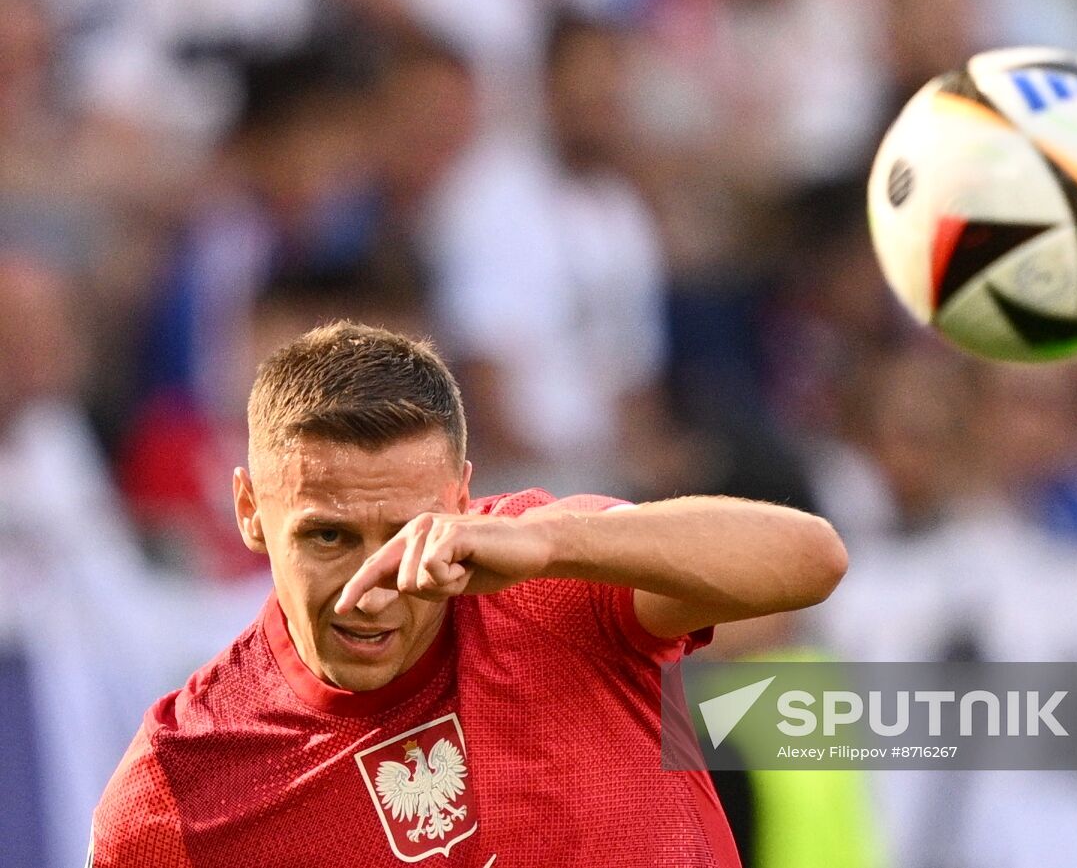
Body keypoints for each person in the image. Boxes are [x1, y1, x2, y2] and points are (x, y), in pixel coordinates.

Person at [90, 321, 847, 867]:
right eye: (327, 537)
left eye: (407, 533)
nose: (371, 587)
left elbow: (810, 559)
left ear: (461, 495)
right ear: (251, 511)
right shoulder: (179, 790)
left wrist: (555, 544)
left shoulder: (551, 570)